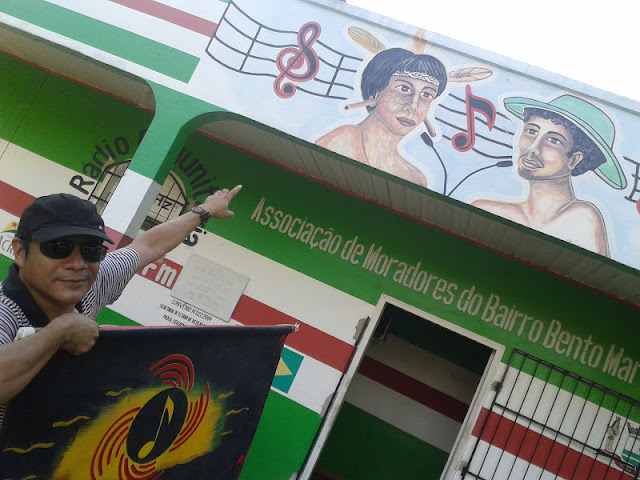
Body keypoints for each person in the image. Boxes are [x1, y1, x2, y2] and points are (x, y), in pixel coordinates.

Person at [0, 186, 241, 425]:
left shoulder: (95, 283)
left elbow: (149, 245)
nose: (78, 264)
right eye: (59, 248)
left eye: (91, 250)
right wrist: (60, 331)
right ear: (20, 251)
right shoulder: (5, 310)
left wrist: (205, 210)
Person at [472, 95, 627, 257]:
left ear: (574, 160)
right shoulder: (486, 209)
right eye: (531, 131)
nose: (533, 148)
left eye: (553, 140)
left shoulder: (582, 217)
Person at [316, 48, 448, 187]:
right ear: (375, 92)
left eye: (427, 95)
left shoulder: (415, 178)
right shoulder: (344, 139)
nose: (413, 107)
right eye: (404, 89)